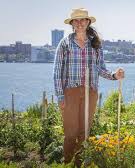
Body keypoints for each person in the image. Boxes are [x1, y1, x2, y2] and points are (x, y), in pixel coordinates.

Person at [53, 8, 124, 164]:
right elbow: (57, 72)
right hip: (70, 92)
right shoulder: (64, 44)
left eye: (82, 20)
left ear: (88, 22)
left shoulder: (96, 45)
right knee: (71, 133)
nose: (79, 23)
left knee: (84, 133)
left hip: (90, 92)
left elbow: (101, 69)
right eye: (76, 21)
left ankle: (79, 164)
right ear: (72, 24)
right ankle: (67, 163)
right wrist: (60, 95)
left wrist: (114, 75)